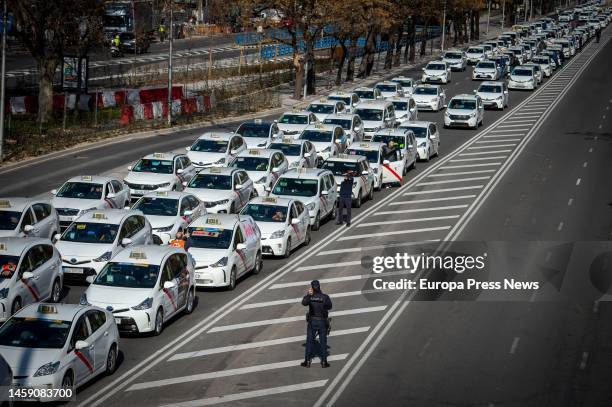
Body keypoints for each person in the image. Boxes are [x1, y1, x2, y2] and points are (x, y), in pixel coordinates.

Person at [301, 280, 332, 368]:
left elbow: (304, 303)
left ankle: (307, 361)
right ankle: (324, 362)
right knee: (323, 342)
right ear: (319, 286)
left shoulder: (310, 297)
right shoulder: (324, 297)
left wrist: (308, 294)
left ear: (312, 287)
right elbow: (329, 306)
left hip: (312, 322)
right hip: (322, 321)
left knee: (309, 341)